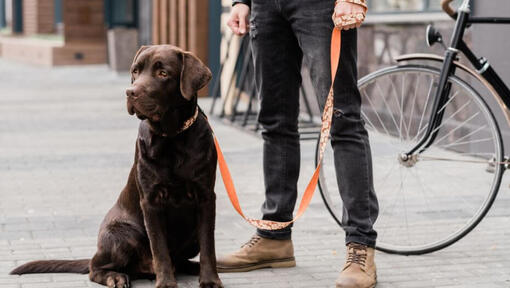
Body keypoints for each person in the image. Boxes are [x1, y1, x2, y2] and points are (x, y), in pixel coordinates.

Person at [217, 0, 379, 287]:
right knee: (274, 122)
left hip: (321, 7)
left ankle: (360, 246)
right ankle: (274, 236)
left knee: (342, 120)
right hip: (265, 8)